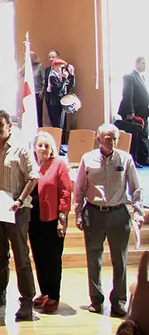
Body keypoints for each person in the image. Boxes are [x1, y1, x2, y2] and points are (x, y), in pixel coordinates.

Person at [75, 123, 144, 317]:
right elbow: (79, 188)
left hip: (118, 213)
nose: (112, 141)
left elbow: (136, 188)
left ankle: (119, 301)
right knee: (94, 258)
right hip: (94, 212)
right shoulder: (87, 159)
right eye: (107, 138)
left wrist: (138, 212)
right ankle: (96, 300)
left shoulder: (125, 158)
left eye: (115, 138)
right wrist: (78, 213)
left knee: (119, 259)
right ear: (98, 139)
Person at [0, 110, 39, 321]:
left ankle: (27, 300)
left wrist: (20, 200)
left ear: (9, 126)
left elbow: (32, 177)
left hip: (16, 211)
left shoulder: (21, 150)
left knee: (21, 256)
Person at [28, 131, 71, 313]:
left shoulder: (58, 164)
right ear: (35, 148)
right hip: (34, 220)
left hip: (52, 220)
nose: (43, 149)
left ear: (52, 148)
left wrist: (62, 218)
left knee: (52, 259)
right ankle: (44, 291)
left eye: (47, 146)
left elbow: (65, 193)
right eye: (40, 145)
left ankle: (54, 295)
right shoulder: (32, 165)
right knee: (39, 257)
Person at [118, 56, 149, 166]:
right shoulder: (129, 77)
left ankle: (143, 158)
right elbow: (127, 95)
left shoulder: (142, 77)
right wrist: (130, 112)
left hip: (143, 113)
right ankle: (132, 160)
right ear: (136, 64)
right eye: (142, 63)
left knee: (143, 136)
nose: (145, 66)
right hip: (133, 113)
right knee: (133, 138)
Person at [45, 58, 75, 129]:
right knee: (58, 124)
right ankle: (58, 139)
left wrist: (72, 75)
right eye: (60, 67)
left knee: (63, 124)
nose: (61, 69)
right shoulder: (52, 76)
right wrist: (64, 79)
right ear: (55, 66)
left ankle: (63, 139)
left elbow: (71, 85)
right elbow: (58, 90)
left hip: (63, 101)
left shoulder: (60, 76)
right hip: (56, 102)